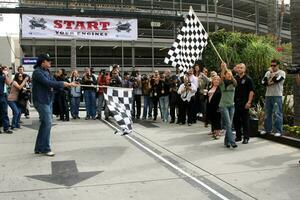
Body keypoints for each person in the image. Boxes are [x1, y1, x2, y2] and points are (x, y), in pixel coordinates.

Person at [32, 54, 78, 156]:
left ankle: (39, 147)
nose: (50, 63)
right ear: (42, 62)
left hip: (48, 100)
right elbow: (48, 83)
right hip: (41, 101)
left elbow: (53, 83)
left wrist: (68, 85)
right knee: (48, 123)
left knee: (45, 124)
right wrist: (64, 84)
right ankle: (45, 148)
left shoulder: (47, 72)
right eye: (48, 61)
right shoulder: (37, 73)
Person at [261, 59, 286, 137]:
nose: (272, 67)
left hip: (277, 95)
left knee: (277, 113)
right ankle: (267, 129)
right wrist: (269, 82)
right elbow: (263, 82)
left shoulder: (281, 73)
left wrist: (272, 75)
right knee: (267, 113)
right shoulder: (267, 73)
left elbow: (277, 80)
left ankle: (278, 130)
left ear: (278, 65)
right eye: (271, 65)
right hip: (268, 95)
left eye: (274, 65)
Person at [233, 63, 254, 144]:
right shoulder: (235, 78)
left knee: (245, 121)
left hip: (245, 103)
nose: (239, 69)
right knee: (236, 120)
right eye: (238, 68)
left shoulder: (248, 79)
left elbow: (251, 91)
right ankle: (238, 136)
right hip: (236, 103)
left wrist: (249, 102)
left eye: (241, 68)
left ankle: (246, 137)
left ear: (244, 69)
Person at [219, 63, 237, 148]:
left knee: (229, 124)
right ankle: (232, 141)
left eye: (231, 75)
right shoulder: (222, 83)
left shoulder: (234, 83)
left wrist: (229, 72)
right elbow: (222, 76)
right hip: (223, 106)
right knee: (229, 124)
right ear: (225, 75)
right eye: (228, 74)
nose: (229, 75)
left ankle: (226, 142)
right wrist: (224, 68)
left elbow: (233, 79)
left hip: (231, 106)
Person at [0, 66, 13, 134]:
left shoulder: (2, 76)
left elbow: (9, 83)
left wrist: (6, 75)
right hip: (2, 96)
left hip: (2, 96)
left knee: (4, 112)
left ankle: (6, 128)